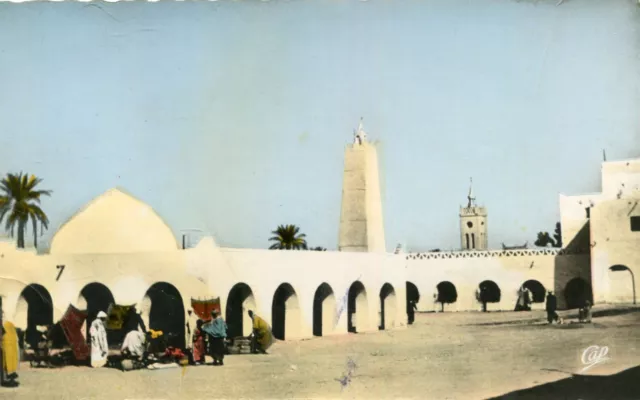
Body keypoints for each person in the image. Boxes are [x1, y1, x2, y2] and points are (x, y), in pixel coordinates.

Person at [2, 320, 19, 387]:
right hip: (12, 355)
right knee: (9, 364)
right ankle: (9, 379)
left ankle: (8, 378)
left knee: (7, 364)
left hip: (7, 353)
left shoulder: (5, 335)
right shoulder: (14, 334)